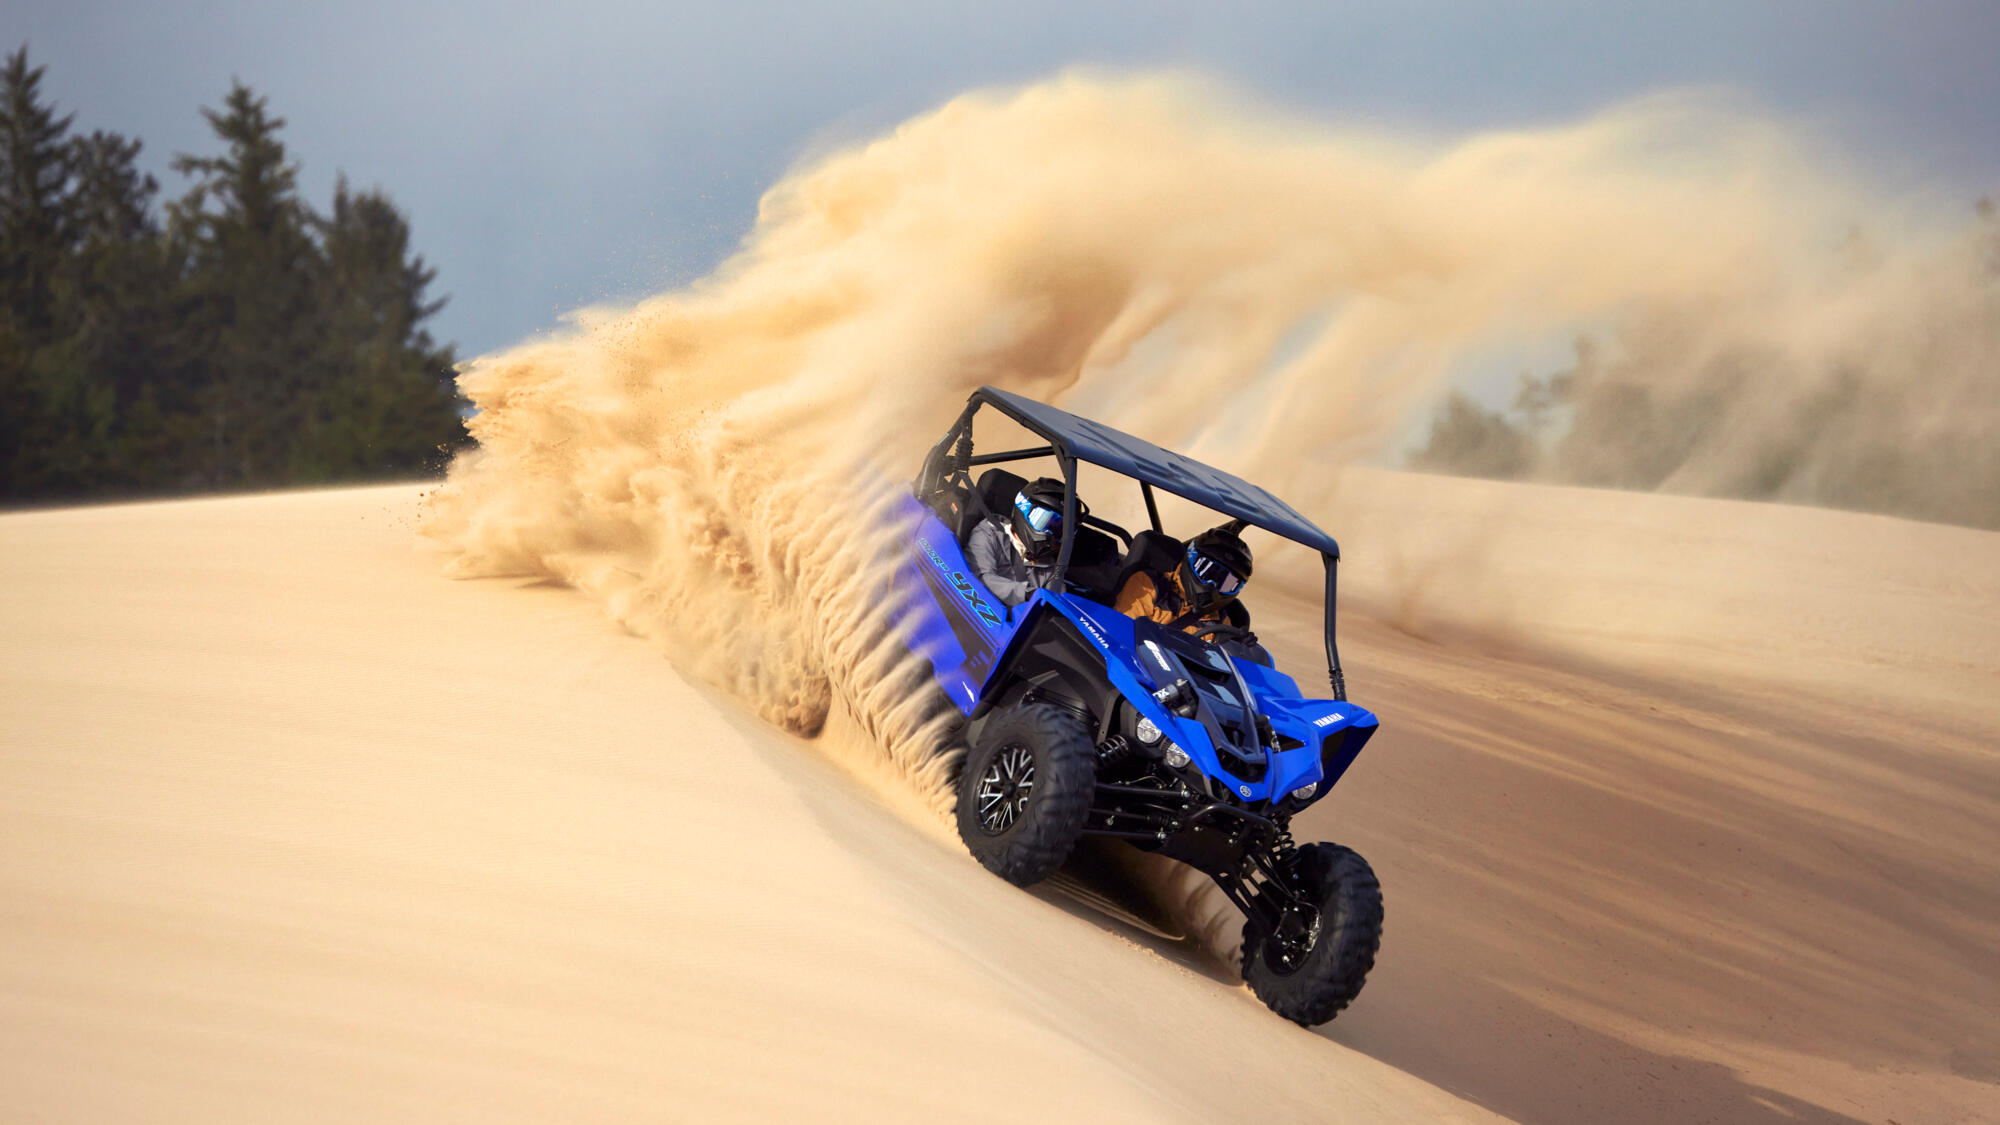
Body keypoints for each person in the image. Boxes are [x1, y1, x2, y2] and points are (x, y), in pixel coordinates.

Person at [1116, 521, 1254, 634]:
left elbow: (1217, 656)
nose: (1212, 584)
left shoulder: (1220, 621)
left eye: (1227, 583)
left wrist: (1242, 650)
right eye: (1207, 571)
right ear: (1191, 559)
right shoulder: (1149, 586)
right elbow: (1122, 632)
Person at [967, 477, 1069, 607]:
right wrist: (1028, 594)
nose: (1051, 533)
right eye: (1045, 522)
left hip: (1017, 619)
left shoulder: (1050, 567)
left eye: (1059, 529)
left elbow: (1057, 605)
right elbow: (981, 578)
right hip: (975, 610)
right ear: (1025, 511)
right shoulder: (988, 533)